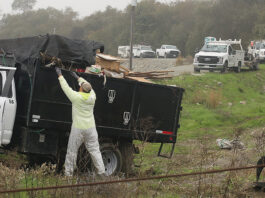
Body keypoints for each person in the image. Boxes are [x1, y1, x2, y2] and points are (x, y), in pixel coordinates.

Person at [55, 67, 105, 177]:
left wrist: (60, 75)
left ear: (81, 89)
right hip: (91, 128)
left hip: (78, 128)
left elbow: (66, 88)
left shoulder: (76, 97)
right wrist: (78, 77)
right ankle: (102, 172)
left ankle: (68, 175)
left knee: (72, 151)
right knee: (95, 151)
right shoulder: (92, 96)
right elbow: (88, 86)